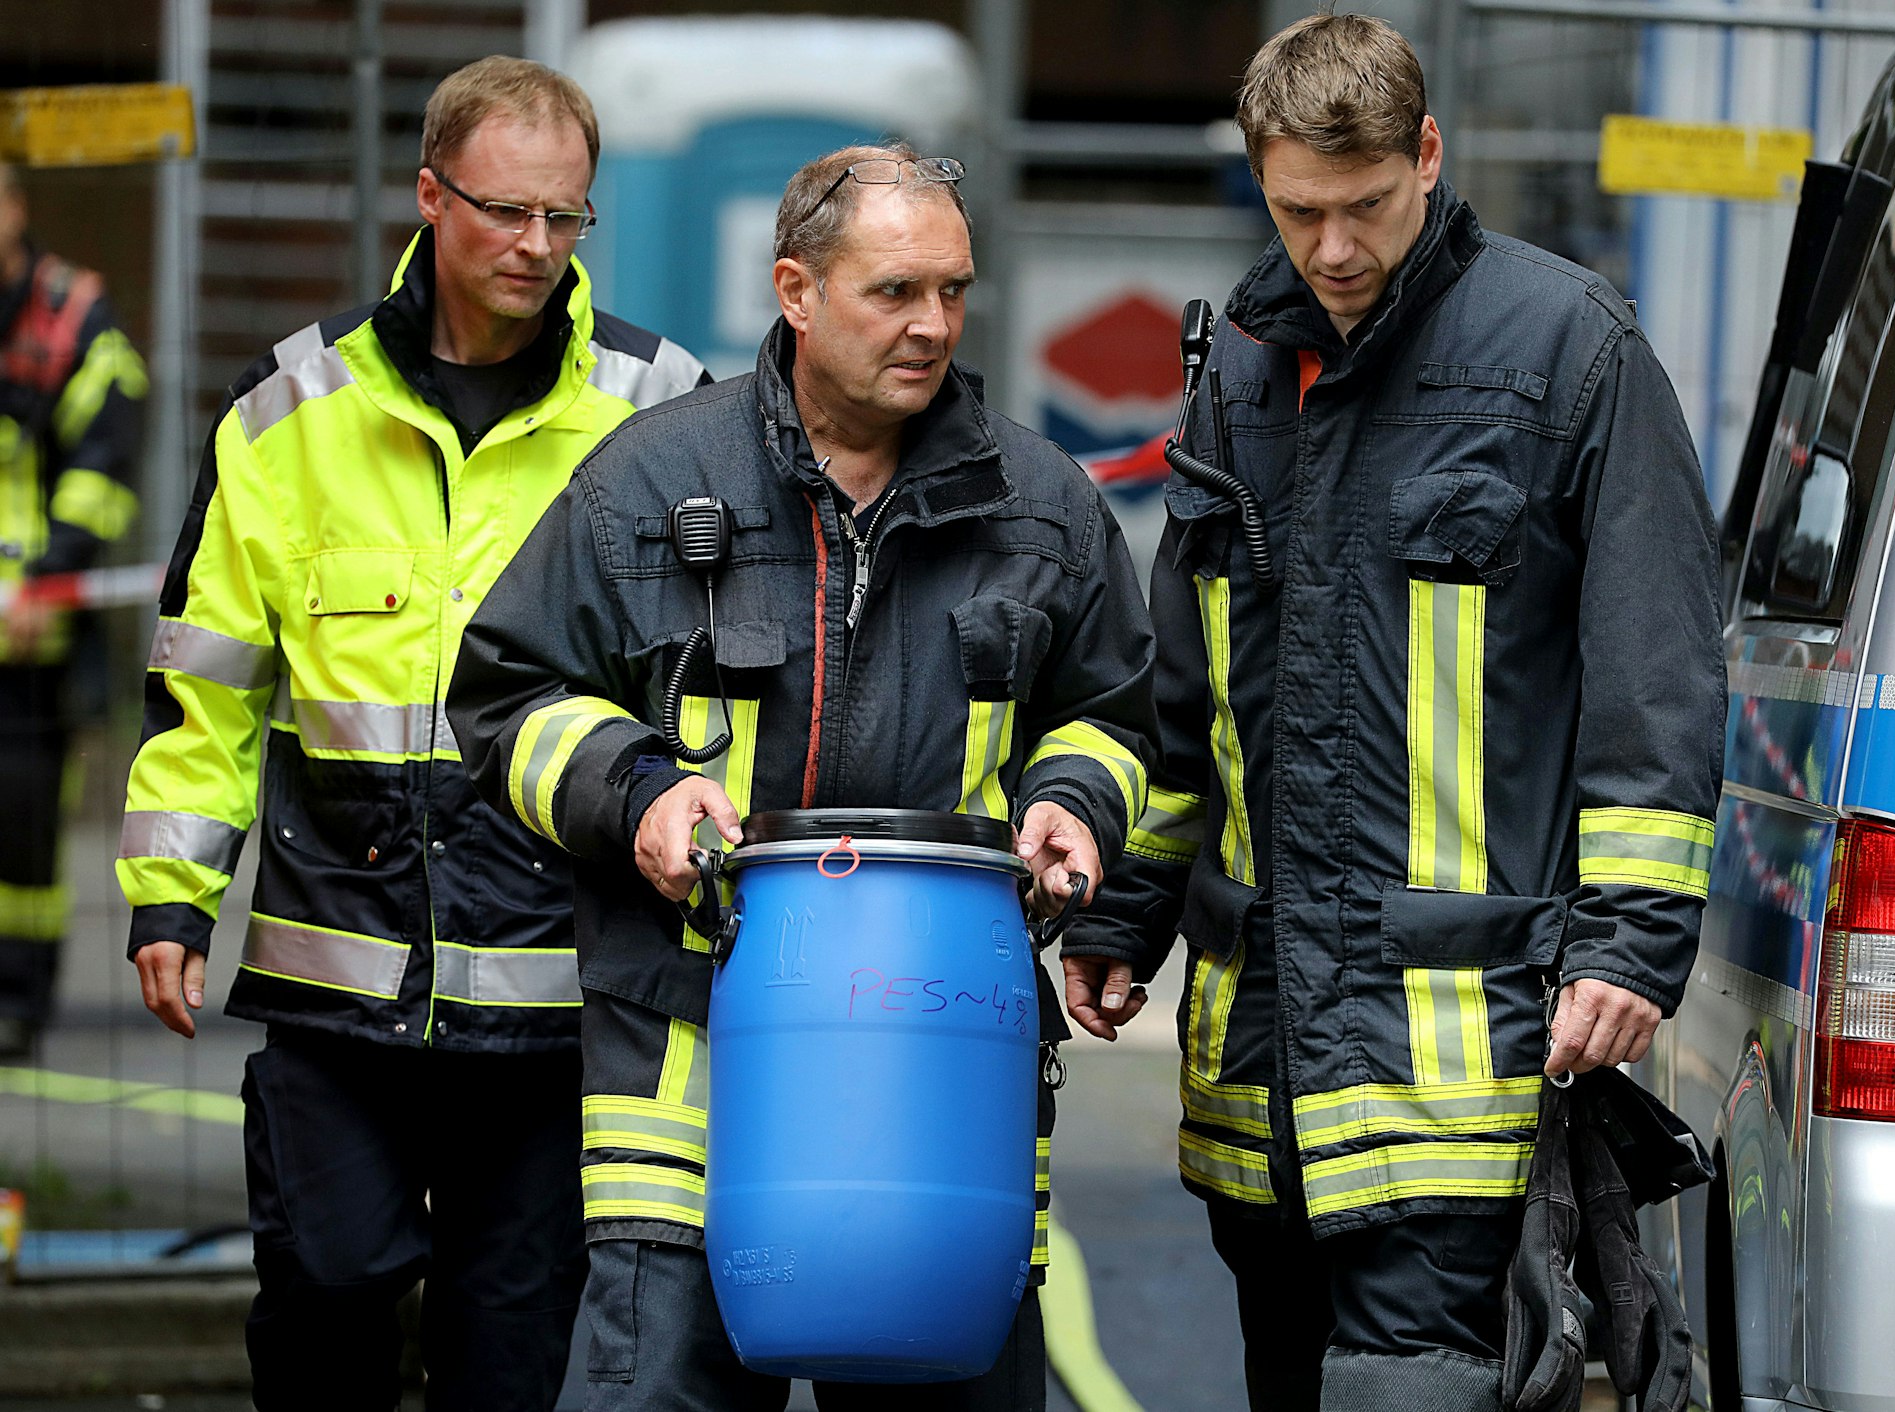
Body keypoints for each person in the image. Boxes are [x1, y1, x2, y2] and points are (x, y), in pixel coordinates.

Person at [1061, 14, 1726, 1412]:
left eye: (1364, 206)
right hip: (1260, 1070)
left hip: (1455, 1058)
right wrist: (1127, 913)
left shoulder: (1567, 353)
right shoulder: (1238, 365)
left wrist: (1627, 940)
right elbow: (1190, 695)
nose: (1335, 248)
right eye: (1298, 211)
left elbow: (1653, 673)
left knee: (1408, 1388)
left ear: (1426, 154)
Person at [447, 142, 1155, 1411]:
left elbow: (1112, 710)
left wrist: (1074, 805)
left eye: (952, 290)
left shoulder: (1039, 505)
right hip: (691, 1080)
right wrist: (640, 791)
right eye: (894, 292)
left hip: (939, 1082)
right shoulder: (650, 484)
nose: (932, 325)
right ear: (795, 288)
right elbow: (512, 694)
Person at [116, 57, 706, 1411]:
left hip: (563, 989)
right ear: (431, 199)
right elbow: (210, 680)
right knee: (323, 1303)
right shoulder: (289, 412)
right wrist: (171, 892)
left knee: (515, 1356)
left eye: (566, 218)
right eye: (505, 212)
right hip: (336, 982)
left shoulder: (660, 405)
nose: (537, 247)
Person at [0, 163, 147, 1056]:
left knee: (21, 831)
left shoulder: (71, 320)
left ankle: (16, 1001)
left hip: (31, 632)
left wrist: (50, 576)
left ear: (16, 209)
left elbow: (104, 463)